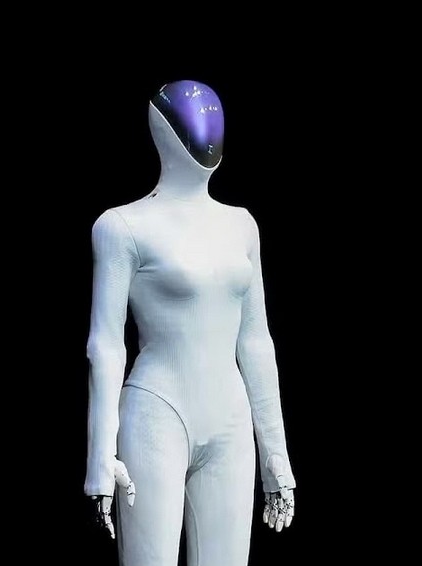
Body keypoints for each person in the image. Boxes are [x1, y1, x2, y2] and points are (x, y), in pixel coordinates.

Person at [84, 80, 296, 566]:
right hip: (156, 415)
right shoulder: (121, 227)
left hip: (231, 422)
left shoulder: (242, 226)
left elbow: (256, 341)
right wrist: (98, 461)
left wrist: (277, 457)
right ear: (161, 130)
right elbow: (106, 345)